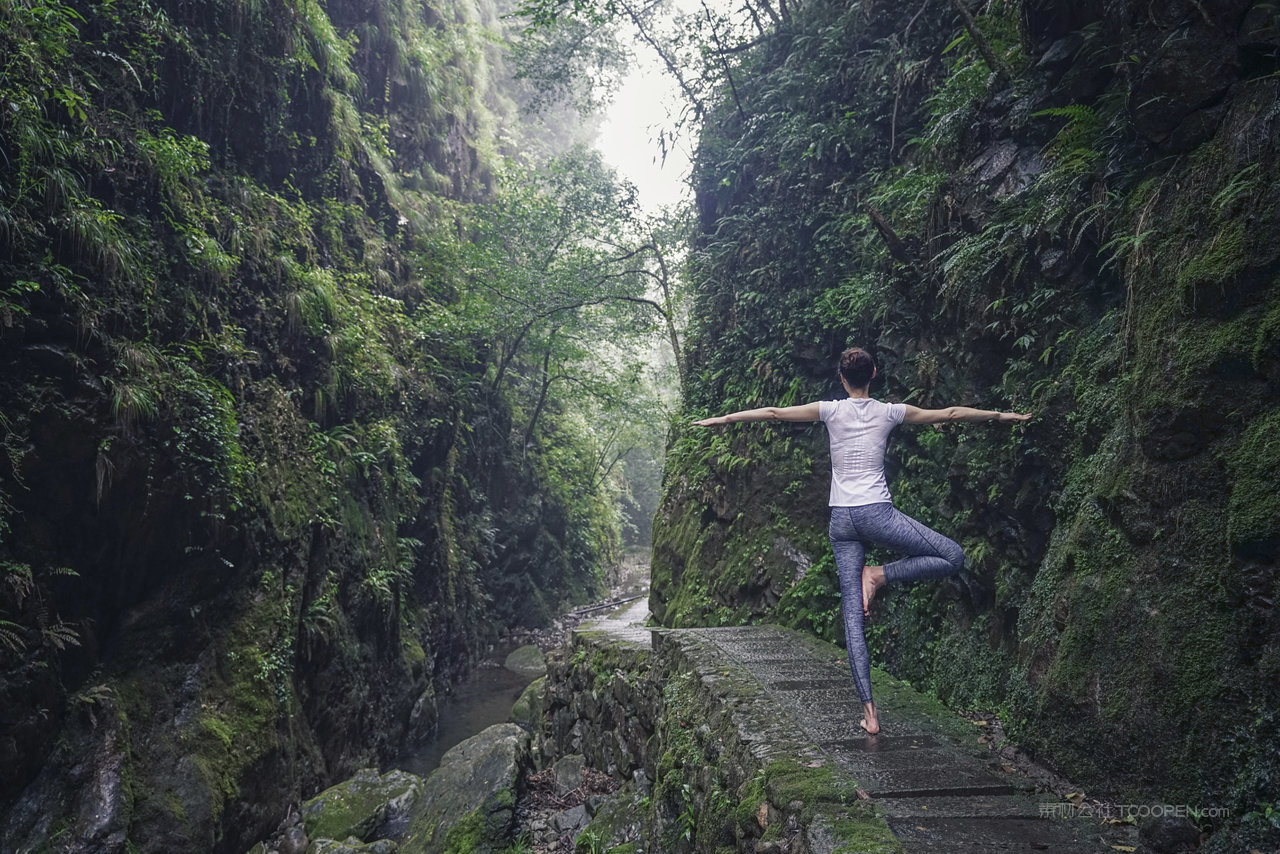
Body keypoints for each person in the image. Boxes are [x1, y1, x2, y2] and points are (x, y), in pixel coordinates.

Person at [692, 347, 1030, 735]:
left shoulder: (830, 410)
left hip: (841, 522)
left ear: (841, 378)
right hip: (877, 515)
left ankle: (870, 714)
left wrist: (721, 419)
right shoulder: (890, 411)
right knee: (952, 555)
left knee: (853, 617)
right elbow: (951, 413)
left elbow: (772, 413)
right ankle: (881, 575)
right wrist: (1004, 416)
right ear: (873, 374)